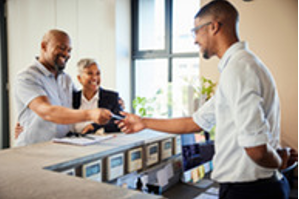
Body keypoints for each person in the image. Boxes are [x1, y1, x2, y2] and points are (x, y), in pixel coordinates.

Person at [117, 1, 297, 199]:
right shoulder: (240, 67)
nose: (194, 39)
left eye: (195, 31)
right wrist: (143, 122)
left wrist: (279, 161)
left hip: (249, 191)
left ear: (213, 26)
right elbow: (195, 122)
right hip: (255, 187)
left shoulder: (238, 69)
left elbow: (256, 149)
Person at [15, 29, 112, 146]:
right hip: (33, 149)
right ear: (44, 46)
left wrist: (113, 103)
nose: (66, 54)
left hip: (62, 146)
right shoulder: (27, 77)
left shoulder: (66, 79)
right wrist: (90, 114)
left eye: (69, 50)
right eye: (61, 48)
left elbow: (82, 102)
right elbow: (47, 112)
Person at [72, 58, 123, 134]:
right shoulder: (72, 98)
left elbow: (121, 121)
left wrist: (95, 126)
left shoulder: (111, 97)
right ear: (79, 78)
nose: (95, 78)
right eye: (90, 73)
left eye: (98, 74)